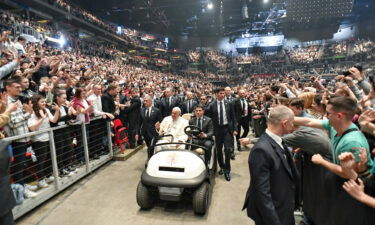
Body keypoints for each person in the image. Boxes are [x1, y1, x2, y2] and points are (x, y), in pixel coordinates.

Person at [242, 105, 299, 225]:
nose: (294, 126)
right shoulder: (261, 150)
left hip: (284, 206)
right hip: (273, 213)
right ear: (285, 123)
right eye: (292, 123)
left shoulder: (278, 140)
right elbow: (262, 192)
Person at [293, 96, 373, 178]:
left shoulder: (351, 142)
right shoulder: (336, 126)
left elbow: (349, 174)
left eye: (328, 113)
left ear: (339, 116)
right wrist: (287, 118)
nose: (326, 116)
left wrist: (322, 161)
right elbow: (309, 122)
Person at [2, 79, 36, 198]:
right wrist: (28, 114)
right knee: (18, 166)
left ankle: (22, 186)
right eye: (17, 87)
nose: (20, 89)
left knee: (21, 165)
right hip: (16, 139)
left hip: (23, 138)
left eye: (20, 87)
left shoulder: (17, 101)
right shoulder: (6, 103)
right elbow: (12, 123)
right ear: (8, 88)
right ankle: (20, 190)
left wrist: (26, 112)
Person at [27, 95, 60, 188]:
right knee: (40, 160)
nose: (44, 103)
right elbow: (32, 128)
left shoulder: (46, 110)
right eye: (42, 102)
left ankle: (48, 175)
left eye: (44, 101)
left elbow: (53, 120)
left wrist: (57, 111)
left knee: (49, 158)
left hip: (48, 137)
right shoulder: (32, 113)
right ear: (36, 103)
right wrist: (42, 118)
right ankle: (40, 180)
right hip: (38, 140)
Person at [206, 87, 237, 181]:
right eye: (220, 93)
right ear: (216, 94)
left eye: (223, 93)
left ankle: (227, 170)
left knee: (227, 150)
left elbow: (233, 117)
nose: (223, 95)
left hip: (227, 129)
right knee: (219, 151)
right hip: (217, 130)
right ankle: (222, 167)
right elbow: (209, 118)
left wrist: (235, 129)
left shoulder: (229, 103)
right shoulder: (212, 105)